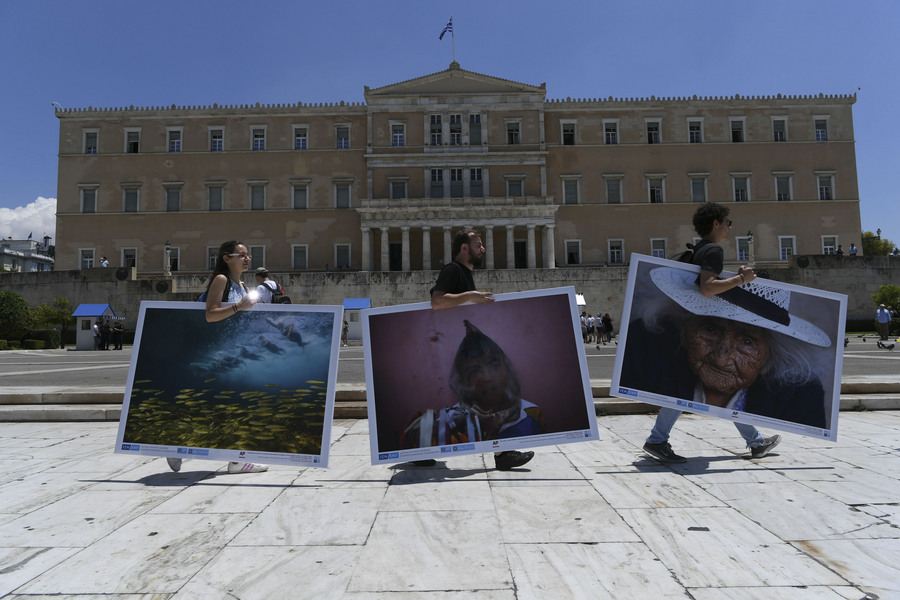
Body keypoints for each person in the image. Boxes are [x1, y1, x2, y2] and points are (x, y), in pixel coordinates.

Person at [639, 202, 782, 463]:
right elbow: (707, 288)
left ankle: (756, 441)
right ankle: (657, 440)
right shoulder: (713, 250)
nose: (730, 228)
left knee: (704, 387)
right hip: (703, 328)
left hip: (696, 326)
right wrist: (741, 280)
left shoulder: (700, 249)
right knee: (693, 389)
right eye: (728, 223)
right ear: (716, 224)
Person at [621, 266, 832, 428]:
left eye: (747, 342)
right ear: (685, 332)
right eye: (711, 329)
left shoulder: (800, 397)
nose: (721, 358)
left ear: (770, 359)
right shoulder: (644, 350)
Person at [426, 229, 535, 471]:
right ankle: (502, 455)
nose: (482, 249)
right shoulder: (452, 270)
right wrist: (471, 296)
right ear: (464, 248)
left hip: (468, 343)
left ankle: (502, 454)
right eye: (477, 245)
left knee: (492, 404)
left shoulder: (464, 273)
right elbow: (437, 301)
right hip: (459, 347)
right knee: (480, 402)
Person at [166, 240, 267, 474]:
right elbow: (210, 315)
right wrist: (238, 308)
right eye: (241, 255)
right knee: (209, 400)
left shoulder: (240, 284)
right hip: (212, 351)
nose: (247, 258)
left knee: (228, 402)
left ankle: (235, 460)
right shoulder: (222, 280)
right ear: (226, 258)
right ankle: (176, 444)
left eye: (247, 255)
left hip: (228, 350)